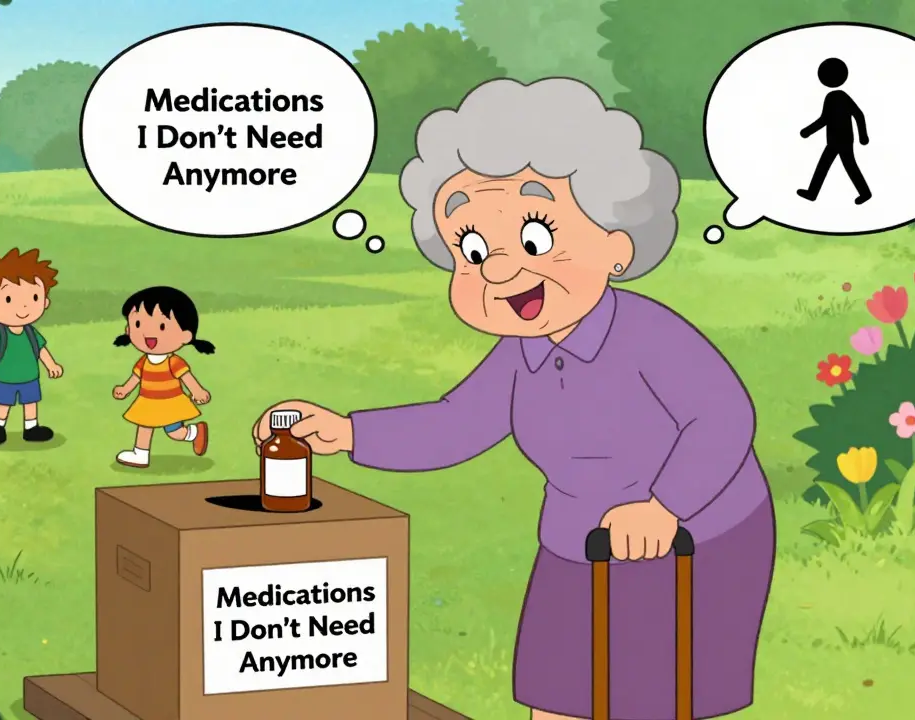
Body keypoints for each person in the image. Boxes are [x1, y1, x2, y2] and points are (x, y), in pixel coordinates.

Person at [251, 78, 776, 720]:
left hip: (695, 539)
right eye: (471, 251)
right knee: (556, 697)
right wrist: (349, 433)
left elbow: (722, 418)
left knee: (653, 701)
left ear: (616, 248)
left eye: (533, 239)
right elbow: (456, 422)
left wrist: (664, 508)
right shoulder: (518, 351)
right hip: (574, 540)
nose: (498, 270)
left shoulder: (651, 334)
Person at [111, 286, 214, 467]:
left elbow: (187, 378)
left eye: (162, 326)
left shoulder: (174, 363)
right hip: (147, 400)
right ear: (128, 329)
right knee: (144, 424)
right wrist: (124, 390)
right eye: (138, 325)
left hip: (170, 402)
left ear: (185, 335)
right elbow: (136, 378)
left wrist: (198, 391)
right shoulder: (143, 362)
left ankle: (194, 433)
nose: (148, 335)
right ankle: (140, 454)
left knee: (175, 433)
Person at [0, 248, 64, 445]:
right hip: (4, 377)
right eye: (9, 299)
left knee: (31, 402)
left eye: (34, 298)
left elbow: (41, 350)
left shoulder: (31, 332)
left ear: (45, 301)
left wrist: (52, 365)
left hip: (30, 376)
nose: (24, 307)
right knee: (3, 403)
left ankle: (31, 428)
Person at [798, 57, 871, 204]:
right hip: (835, 140)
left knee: (847, 166)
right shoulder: (833, 97)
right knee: (829, 165)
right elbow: (825, 119)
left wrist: (863, 135)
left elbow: (857, 114)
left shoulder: (838, 97)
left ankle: (865, 193)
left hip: (841, 140)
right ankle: (812, 193)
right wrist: (808, 131)